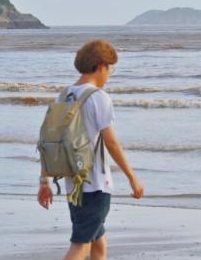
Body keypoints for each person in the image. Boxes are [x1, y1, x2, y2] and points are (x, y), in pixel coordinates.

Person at [37, 39, 144, 260]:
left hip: (73, 186)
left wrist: (44, 181)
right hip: (95, 185)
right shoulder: (99, 97)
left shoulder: (64, 95)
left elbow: (50, 141)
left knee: (98, 241)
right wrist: (132, 177)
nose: (109, 74)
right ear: (101, 65)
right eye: (110, 68)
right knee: (80, 245)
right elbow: (112, 143)